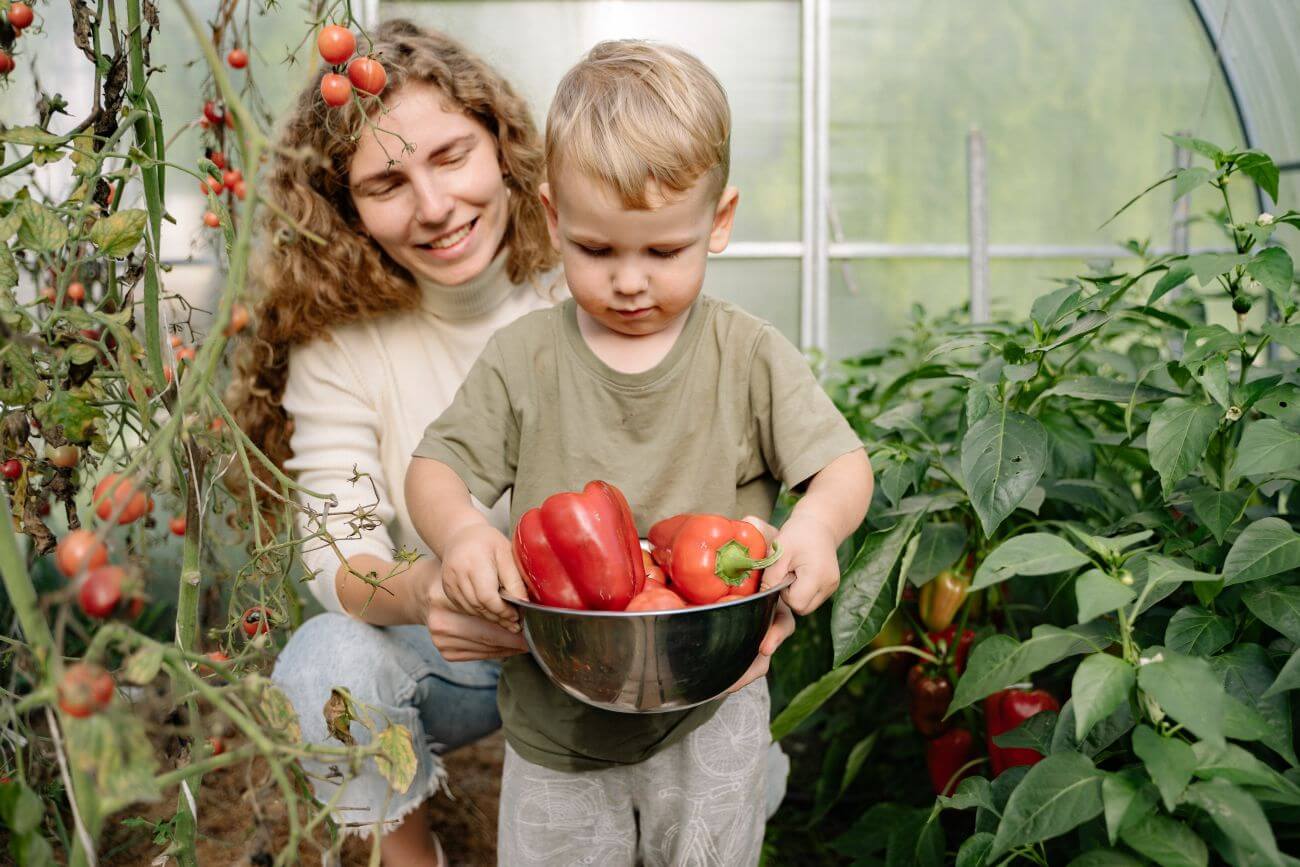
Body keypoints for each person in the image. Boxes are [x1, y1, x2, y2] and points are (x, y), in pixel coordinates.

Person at [405, 40, 874, 866]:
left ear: (718, 222)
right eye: (596, 250)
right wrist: (463, 537)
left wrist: (819, 529)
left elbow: (841, 466)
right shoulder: (525, 359)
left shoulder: (749, 354)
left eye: (663, 252)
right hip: (559, 722)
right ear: (552, 220)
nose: (630, 281)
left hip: (715, 708)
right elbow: (435, 467)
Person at [227, 20, 561, 865]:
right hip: (452, 651)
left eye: (451, 156)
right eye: (388, 183)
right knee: (324, 662)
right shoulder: (341, 343)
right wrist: (425, 592)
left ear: (500, 143)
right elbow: (335, 548)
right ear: (347, 211)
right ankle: (406, 854)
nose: (435, 206)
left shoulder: (586, 276)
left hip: (600, 641)